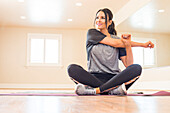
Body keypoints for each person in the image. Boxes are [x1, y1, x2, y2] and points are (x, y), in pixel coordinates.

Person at [67, 8, 154, 95]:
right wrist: (143, 45)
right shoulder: (92, 33)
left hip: (114, 79)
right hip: (94, 78)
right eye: (97, 18)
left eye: (102, 18)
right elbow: (115, 43)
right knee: (72, 68)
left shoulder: (118, 40)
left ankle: (95, 90)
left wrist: (127, 45)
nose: (98, 20)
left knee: (136, 68)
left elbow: (128, 64)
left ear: (109, 22)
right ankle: (113, 91)